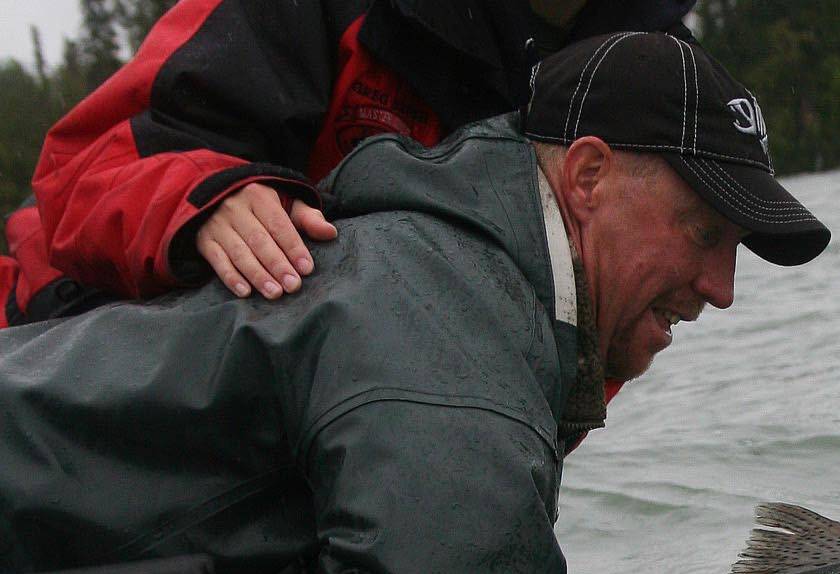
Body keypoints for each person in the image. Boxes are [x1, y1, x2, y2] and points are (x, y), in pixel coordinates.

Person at [0, 31, 829, 574]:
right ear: (586, 177)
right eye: (704, 231)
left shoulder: (449, 264)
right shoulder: (457, 315)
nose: (723, 286)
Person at [0, 0, 697, 327]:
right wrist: (203, 199)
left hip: (324, 418)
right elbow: (81, 167)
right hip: (55, 336)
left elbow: (604, 300)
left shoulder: (652, 69)